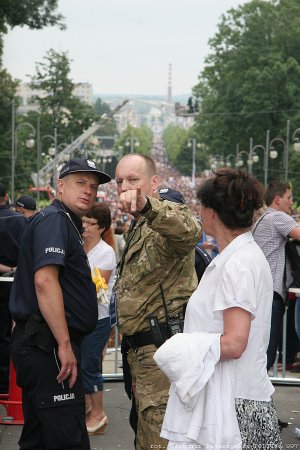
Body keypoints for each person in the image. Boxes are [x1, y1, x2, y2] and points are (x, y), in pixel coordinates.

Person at [155, 168, 282, 449]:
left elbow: (235, 343)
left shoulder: (239, 262)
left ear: (211, 212)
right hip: (234, 397)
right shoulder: (239, 256)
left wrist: (182, 348)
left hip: (232, 405)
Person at [9, 158, 111, 450]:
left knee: (39, 438)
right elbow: (44, 281)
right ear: (61, 186)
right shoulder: (56, 220)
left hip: (42, 344)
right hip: (49, 348)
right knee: (67, 439)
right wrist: (64, 345)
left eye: (93, 186)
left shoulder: (63, 221)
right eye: (80, 183)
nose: (88, 191)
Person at [114, 153, 202, 450]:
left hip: (161, 348)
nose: (125, 186)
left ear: (153, 183)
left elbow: (190, 229)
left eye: (133, 179)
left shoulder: (164, 214)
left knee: (159, 439)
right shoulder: (138, 225)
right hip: (141, 353)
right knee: (145, 433)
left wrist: (146, 205)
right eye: (120, 180)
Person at [253, 180, 300, 372]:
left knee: (263, 346)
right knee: (268, 348)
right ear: (277, 199)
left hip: (263, 290)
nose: (292, 202)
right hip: (271, 293)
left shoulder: (265, 218)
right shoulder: (277, 217)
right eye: (289, 198)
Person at [80, 203, 116, 434]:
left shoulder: (105, 252)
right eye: (83, 221)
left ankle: (98, 414)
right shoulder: (79, 245)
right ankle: (86, 408)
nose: (84, 226)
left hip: (99, 317)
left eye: (90, 223)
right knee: (82, 363)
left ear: (101, 227)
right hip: (80, 317)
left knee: (89, 365)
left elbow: (94, 288)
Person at [0, 182, 28, 394]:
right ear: (7, 197)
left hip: (6, 280)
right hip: (19, 283)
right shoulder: (20, 219)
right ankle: (18, 381)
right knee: (19, 330)